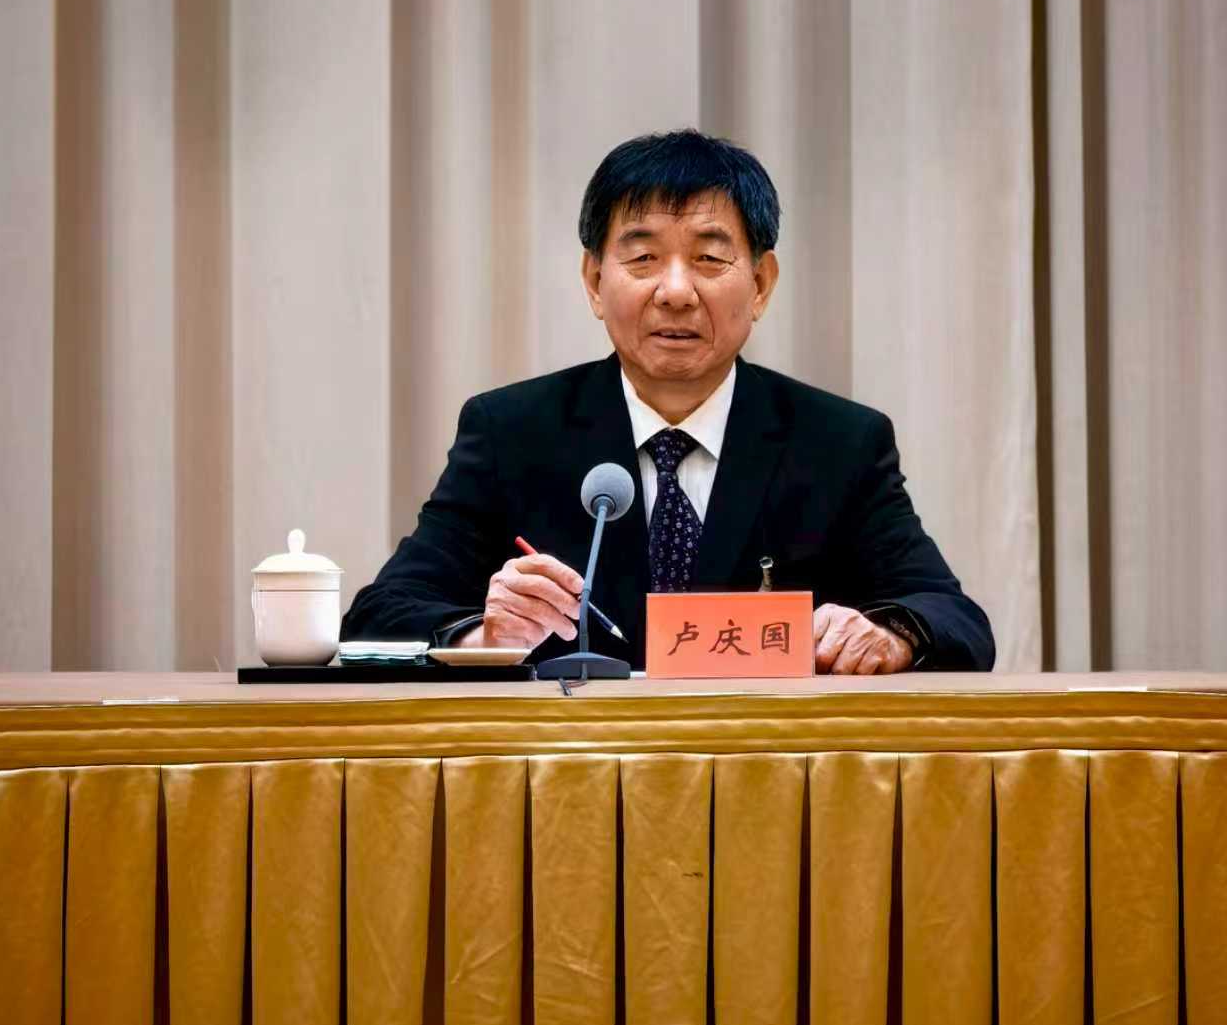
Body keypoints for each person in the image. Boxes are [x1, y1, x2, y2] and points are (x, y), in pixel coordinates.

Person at [341, 130, 994, 673]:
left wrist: (890, 636)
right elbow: (379, 615)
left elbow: (955, 619)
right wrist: (483, 636)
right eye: (644, 258)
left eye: (709, 259)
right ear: (595, 281)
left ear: (761, 283)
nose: (676, 291)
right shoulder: (511, 432)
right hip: (569, 766)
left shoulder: (839, 443)